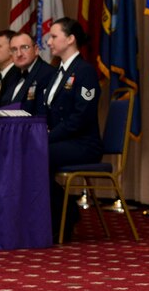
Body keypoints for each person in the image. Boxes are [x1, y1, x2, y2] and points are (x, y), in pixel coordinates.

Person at [41, 17, 103, 243]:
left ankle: (63, 219)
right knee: (34, 153)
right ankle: (67, 211)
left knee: (40, 155)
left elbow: (81, 117)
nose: (49, 42)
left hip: (84, 144)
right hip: (62, 141)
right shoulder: (58, 72)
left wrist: (49, 137)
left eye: (54, 36)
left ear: (70, 39)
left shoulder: (85, 71)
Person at [4, 31, 57, 113]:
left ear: (36, 50)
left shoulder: (48, 74)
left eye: (24, 47)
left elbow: (42, 114)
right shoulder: (11, 74)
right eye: (14, 49)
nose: (19, 54)